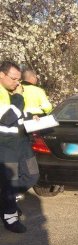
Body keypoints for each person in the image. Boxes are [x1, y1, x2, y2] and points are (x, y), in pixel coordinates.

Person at [0, 61, 39, 233]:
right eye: (14, 79)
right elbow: (8, 117)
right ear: (1, 75)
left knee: (32, 175)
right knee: (11, 183)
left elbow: (19, 114)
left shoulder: (12, 92)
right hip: (6, 146)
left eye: (19, 79)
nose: (18, 83)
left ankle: (6, 201)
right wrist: (19, 97)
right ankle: (10, 217)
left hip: (22, 143)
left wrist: (31, 117)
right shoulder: (9, 95)